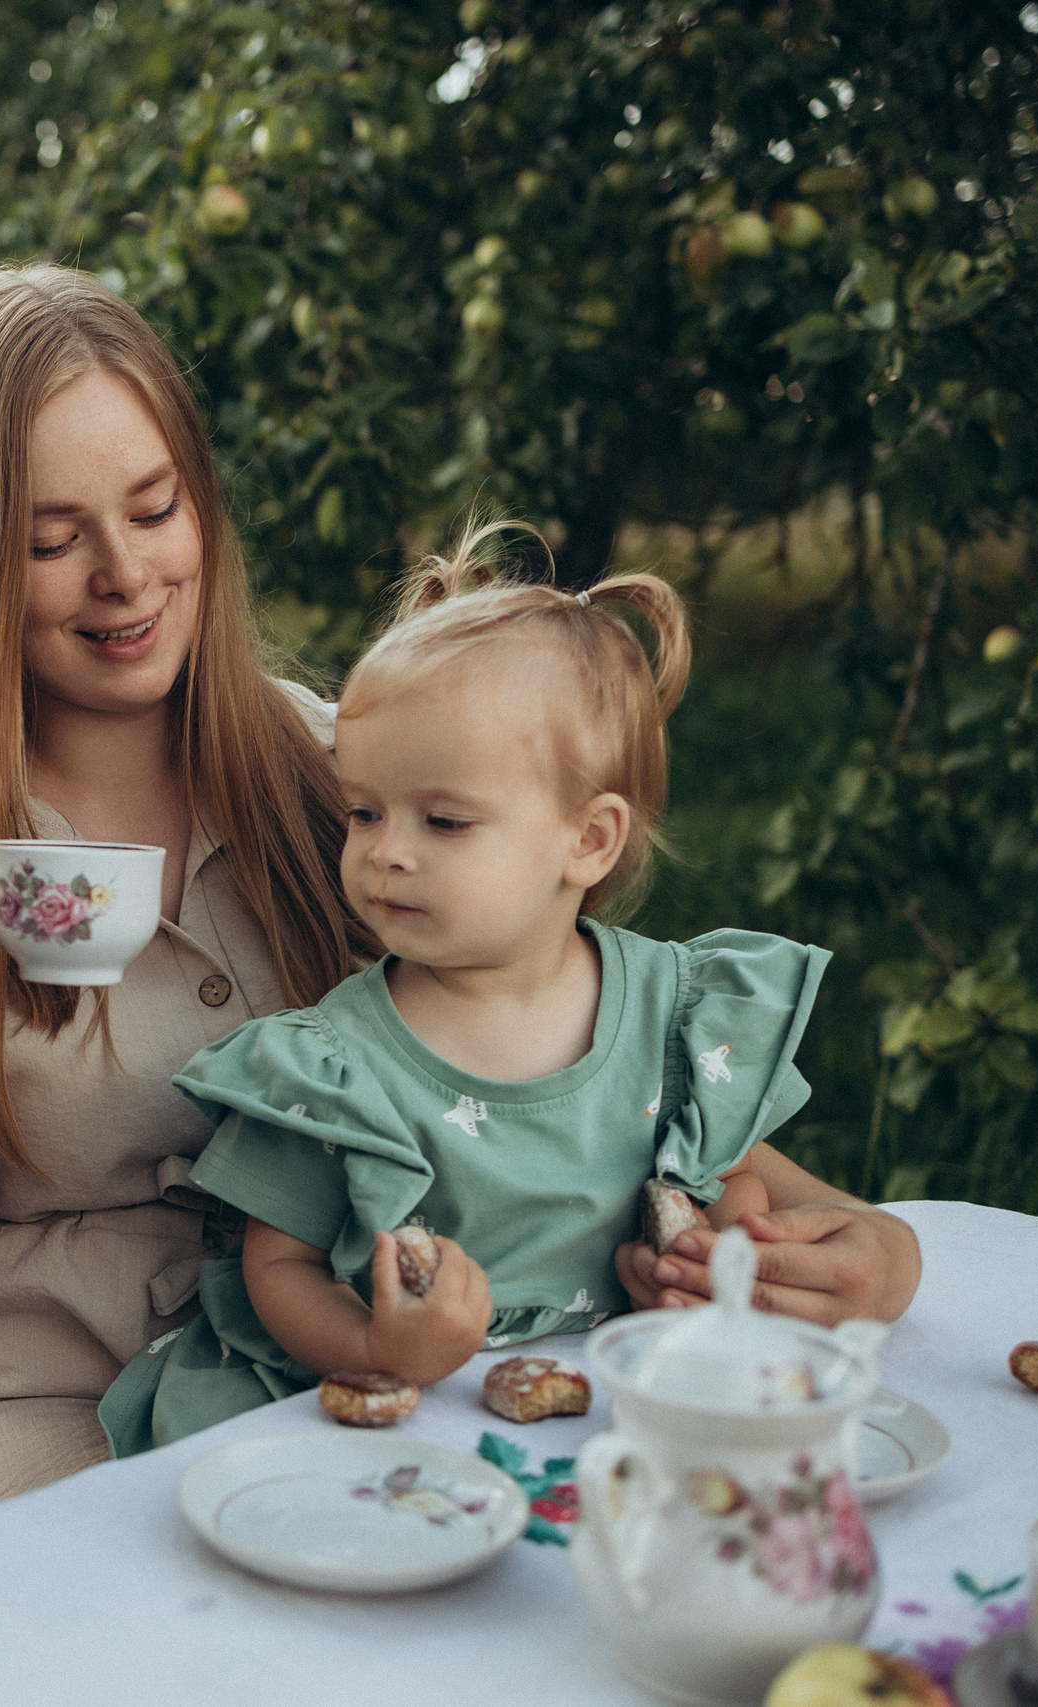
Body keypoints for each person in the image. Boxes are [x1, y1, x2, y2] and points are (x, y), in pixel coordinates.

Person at [0, 266, 920, 1535]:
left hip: (324, 1353)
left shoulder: (357, 786)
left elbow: (573, 1040)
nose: (126, 574)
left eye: (155, 508)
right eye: (48, 540)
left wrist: (851, 1237)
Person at [100, 522, 817, 1453]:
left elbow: (732, 1178)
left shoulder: (671, 1014)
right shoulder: (336, 1064)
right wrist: (372, 1340)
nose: (384, 851)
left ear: (588, 840)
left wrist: (714, 1249)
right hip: (389, 1415)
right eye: (364, 811)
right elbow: (278, 1267)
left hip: (607, 1408)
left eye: (443, 819)